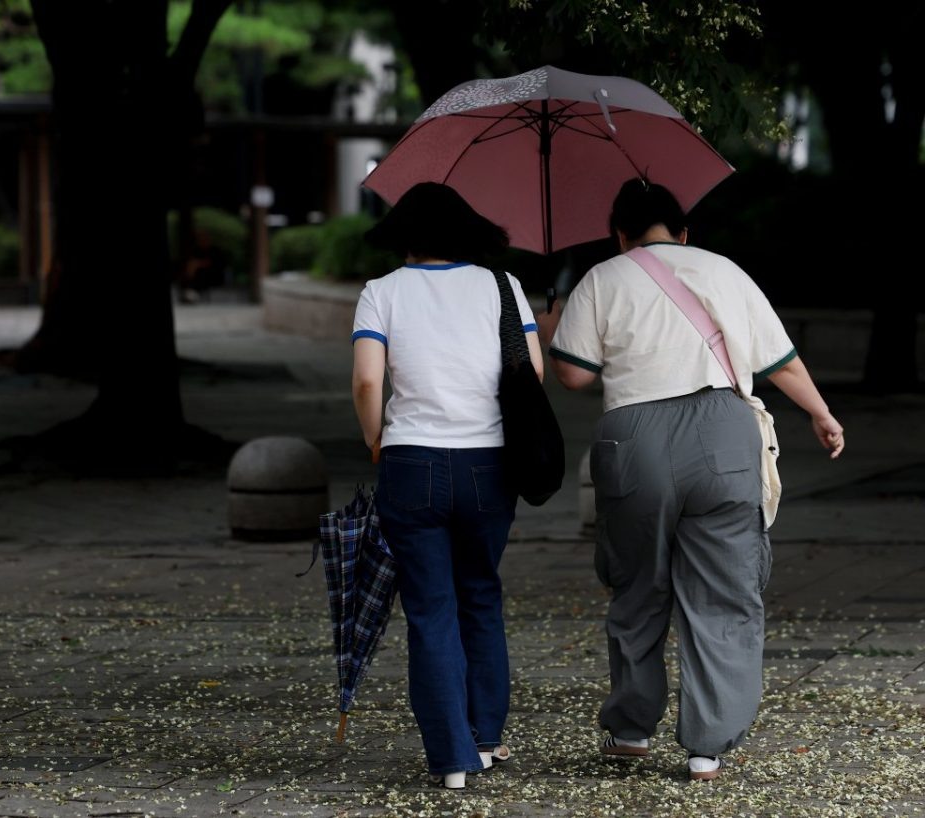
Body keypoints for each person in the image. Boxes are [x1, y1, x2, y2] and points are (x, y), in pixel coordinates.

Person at [539, 178, 844, 782]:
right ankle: (708, 745)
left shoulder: (603, 277)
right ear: (683, 233)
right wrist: (820, 412)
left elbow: (573, 378)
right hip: (724, 433)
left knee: (637, 586)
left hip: (634, 440)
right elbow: (778, 358)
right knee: (726, 591)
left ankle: (630, 731)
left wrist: (555, 330)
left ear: (620, 234)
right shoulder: (725, 271)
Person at [351, 182, 545, 789]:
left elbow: (365, 381)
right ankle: (486, 739)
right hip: (490, 464)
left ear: (404, 235)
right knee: (481, 595)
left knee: (430, 610)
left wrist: (376, 437)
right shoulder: (502, 286)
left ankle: (451, 760)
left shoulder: (381, 292)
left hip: (412, 462)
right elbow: (533, 373)